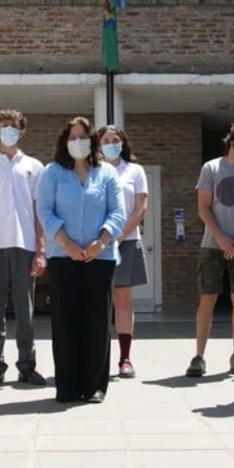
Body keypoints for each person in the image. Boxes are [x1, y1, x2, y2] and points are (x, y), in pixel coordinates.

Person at [36, 116, 126, 403]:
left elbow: (118, 212)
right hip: (63, 257)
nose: (79, 142)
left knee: (97, 321)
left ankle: (96, 384)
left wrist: (101, 243)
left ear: (92, 141)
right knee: (66, 321)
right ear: (65, 141)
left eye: (84, 137)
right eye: (73, 137)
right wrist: (67, 243)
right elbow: (45, 211)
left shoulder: (107, 174)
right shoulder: (52, 173)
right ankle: (69, 385)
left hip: (100, 258)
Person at [0, 109, 47, 387]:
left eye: (14, 126)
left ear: (22, 131)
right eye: (4, 126)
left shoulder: (35, 167)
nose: (9, 130)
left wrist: (41, 250)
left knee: (25, 310)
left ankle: (27, 365)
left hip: (24, 245)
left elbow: (40, 211)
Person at [185, 122, 234, 378]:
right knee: (207, 297)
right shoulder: (212, 167)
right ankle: (199, 356)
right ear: (231, 139)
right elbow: (203, 208)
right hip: (212, 243)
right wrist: (221, 238)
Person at [98, 124, 149, 378]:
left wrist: (117, 237)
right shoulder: (93, 170)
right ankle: (96, 358)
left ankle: (125, 358)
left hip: (126, 242)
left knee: (122, 301)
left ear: (123, 142)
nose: (111, 143)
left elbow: (140, 209)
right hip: (96, 243)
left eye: (115, 139)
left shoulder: (135, 171)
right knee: (96, 302)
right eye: (106, 140)